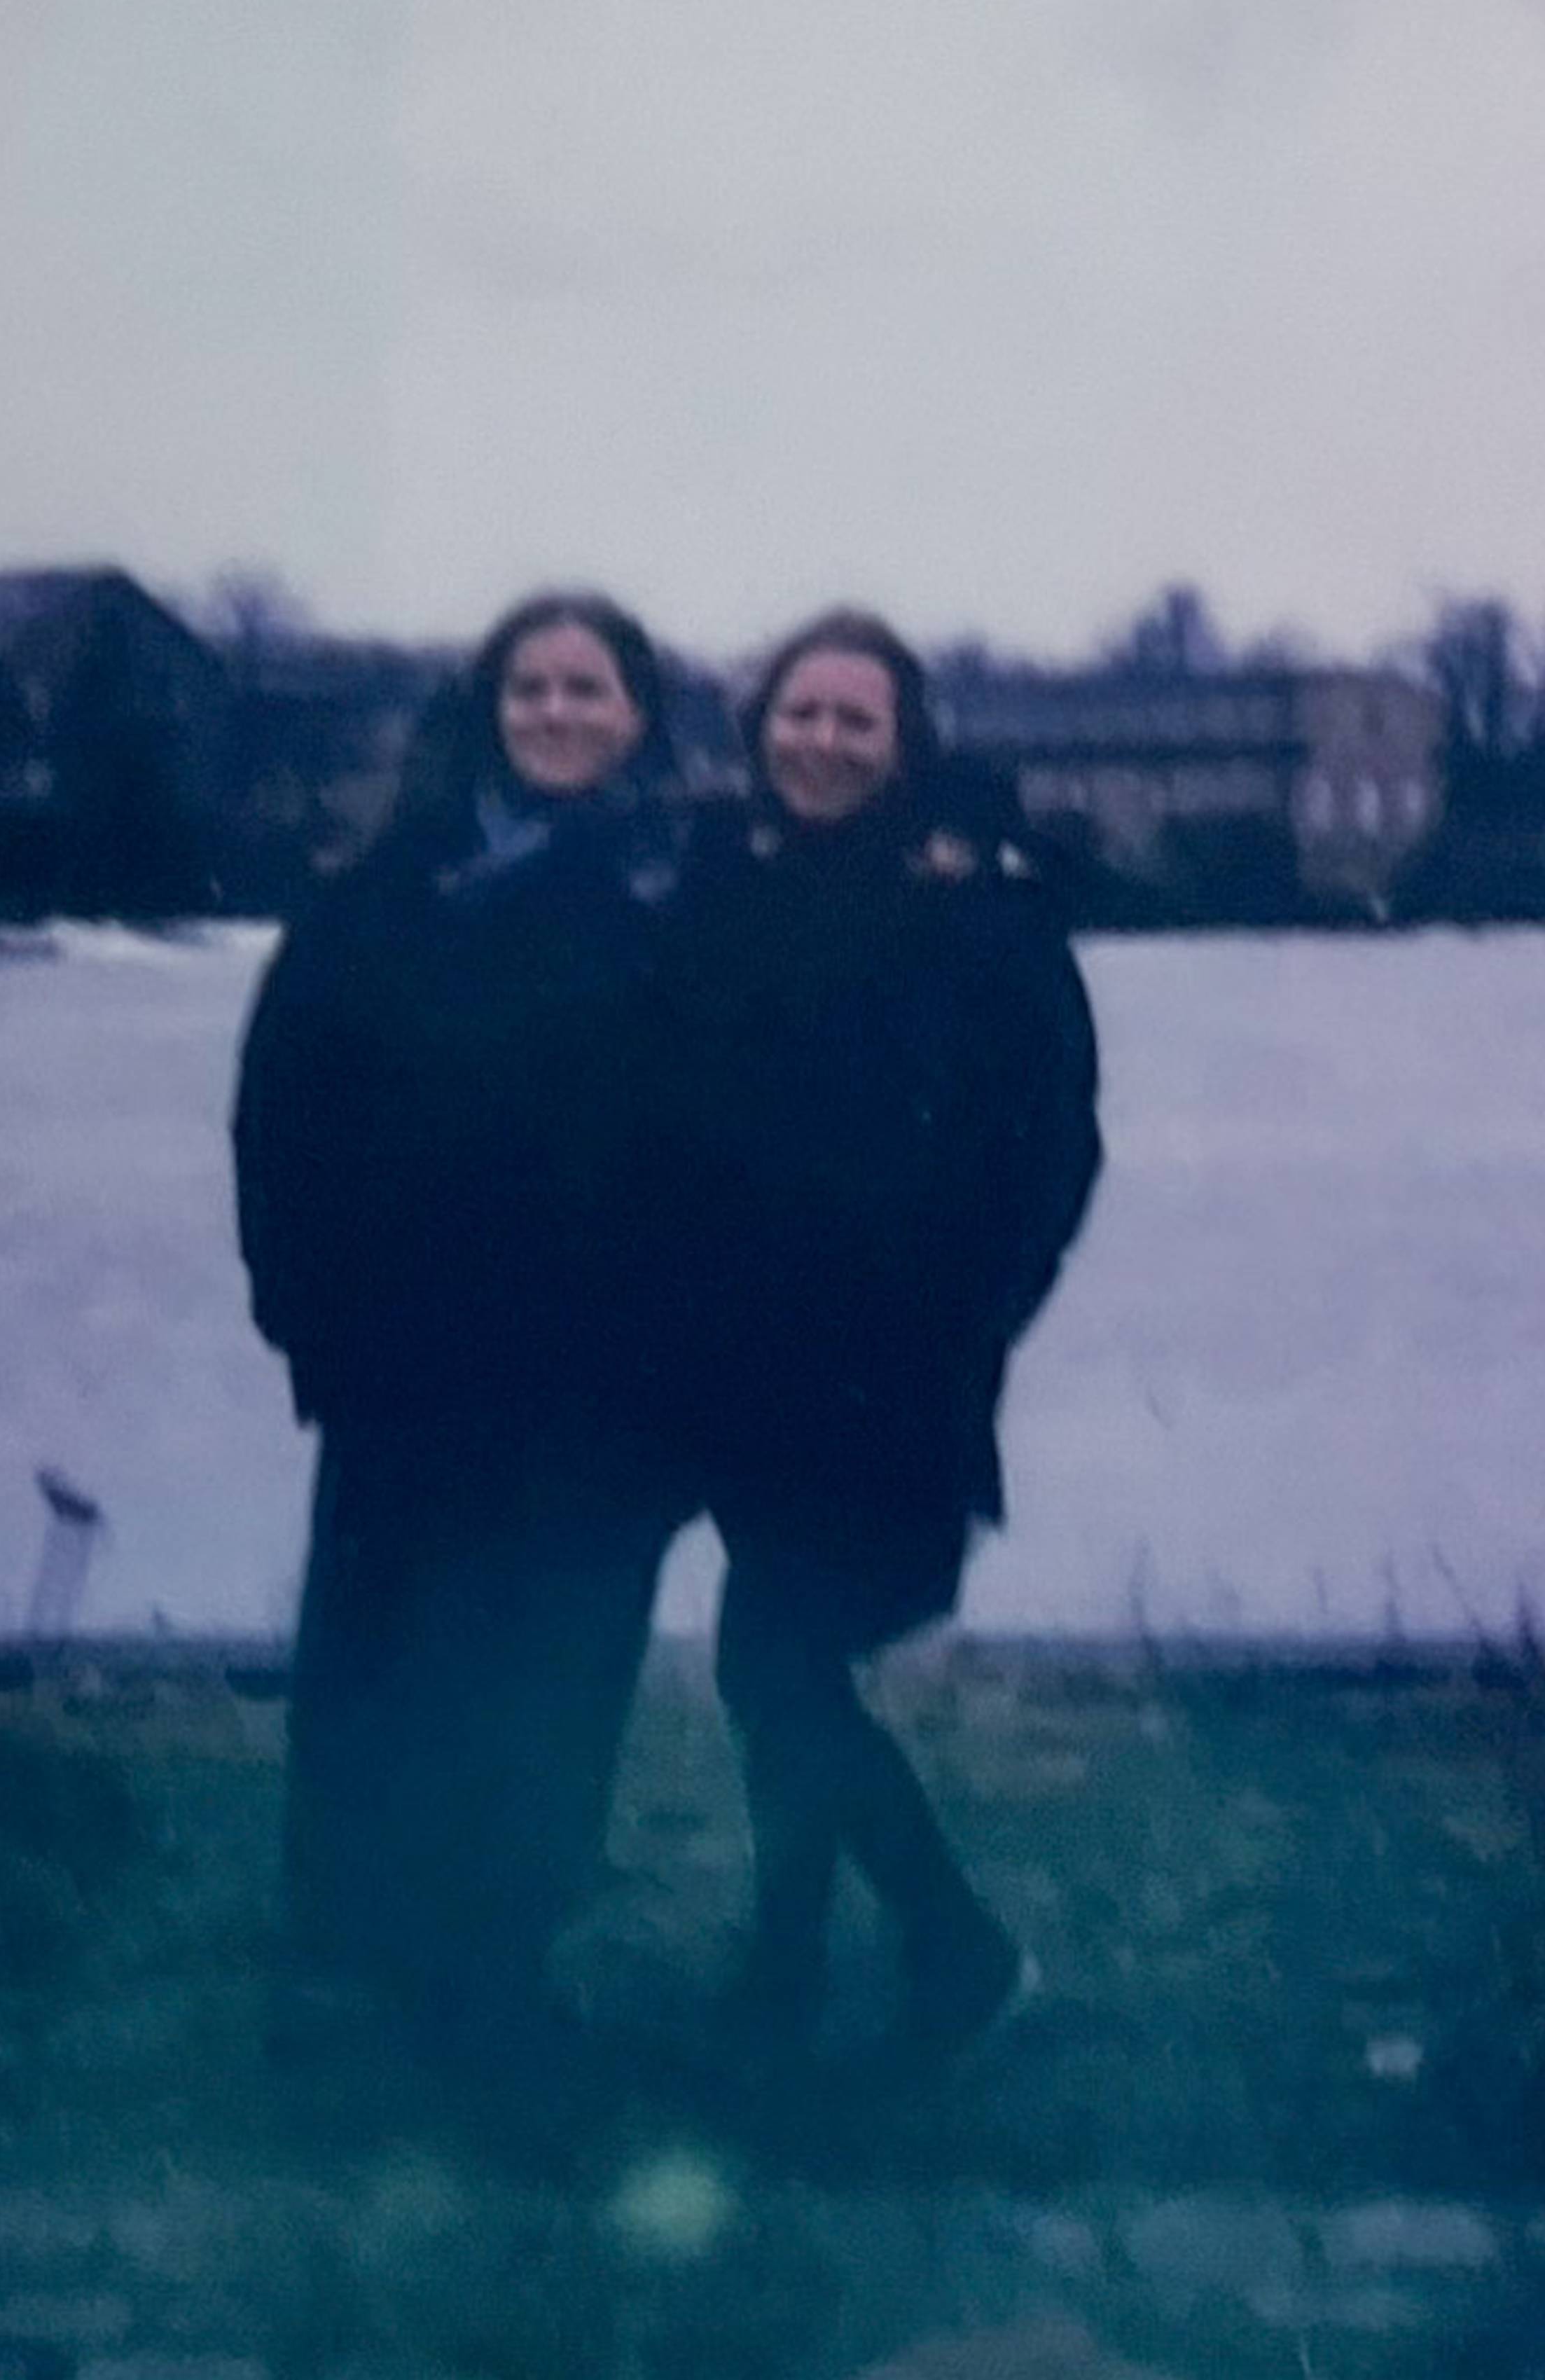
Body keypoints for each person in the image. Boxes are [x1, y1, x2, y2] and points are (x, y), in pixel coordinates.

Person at [230, 590, 695, 2060]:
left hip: (605, 1387)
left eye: (588, 689)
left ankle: (504, 1965)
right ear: (489, 712)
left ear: (638, 715)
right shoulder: (383, 893)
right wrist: (308, 1322)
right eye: (530, 688)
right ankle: (353, 1953)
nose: (557, 713)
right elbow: (279, 1119)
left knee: (557, 1673)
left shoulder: (688, 897)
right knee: (386, 1663)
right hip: (408, 1369)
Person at [672, 609, 1102, 2066]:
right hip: (750, 1369)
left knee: (775, 1664)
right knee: (779, 1655)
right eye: (801, 714)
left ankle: (949, 1946)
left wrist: (972, 1320)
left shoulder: (985, 913)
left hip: (901, 1377)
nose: (825, 742)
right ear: (759, 730)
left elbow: (1055, 1154)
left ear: (906, 743)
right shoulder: (727, 886)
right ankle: (792, 1967)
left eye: (858, 719)